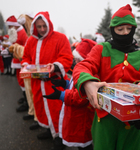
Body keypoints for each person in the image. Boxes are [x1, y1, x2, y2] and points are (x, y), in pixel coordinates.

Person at [72, 4, 140, 150]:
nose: (125, 33)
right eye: (120, 29)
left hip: (134, 120)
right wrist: (87, 82)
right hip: (105, 117)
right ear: (113, 30)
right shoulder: (101, 49)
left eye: (129, 29)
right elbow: (82, 66)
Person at [21, 11, 73, 150]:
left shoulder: (60, 38)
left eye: (44, 26)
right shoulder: (30, 41)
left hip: (54, 83)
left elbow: (67, 58)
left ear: (49, 24)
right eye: (39, 26)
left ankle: (60, 137)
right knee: (41, 107)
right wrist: (25, 65)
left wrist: (55, 66)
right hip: (37, 83)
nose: (42, 29)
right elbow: (26, 57)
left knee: (57, 111)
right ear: (34, 27)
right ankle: (49, 131)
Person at [44, 38, 97, 150]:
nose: (76, 63)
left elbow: (81, 96)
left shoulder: (90, 76)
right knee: (77, 138)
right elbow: (75, 85)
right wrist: (66, 84)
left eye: (79, 60)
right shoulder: (80, 69)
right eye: (76, 60)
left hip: (82, 116)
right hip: (76, 114)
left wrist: (61, 95)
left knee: (83, 142)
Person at [6, 15, 29, 111]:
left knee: (23, 82)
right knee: (20, 82)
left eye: (10, 26)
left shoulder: (22, 33)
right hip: (16, 61)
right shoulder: (15, 32)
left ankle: (27, 103)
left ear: (14, 25)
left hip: (21, 61)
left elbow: (26, 48)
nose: (9, 28)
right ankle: (25, 98)